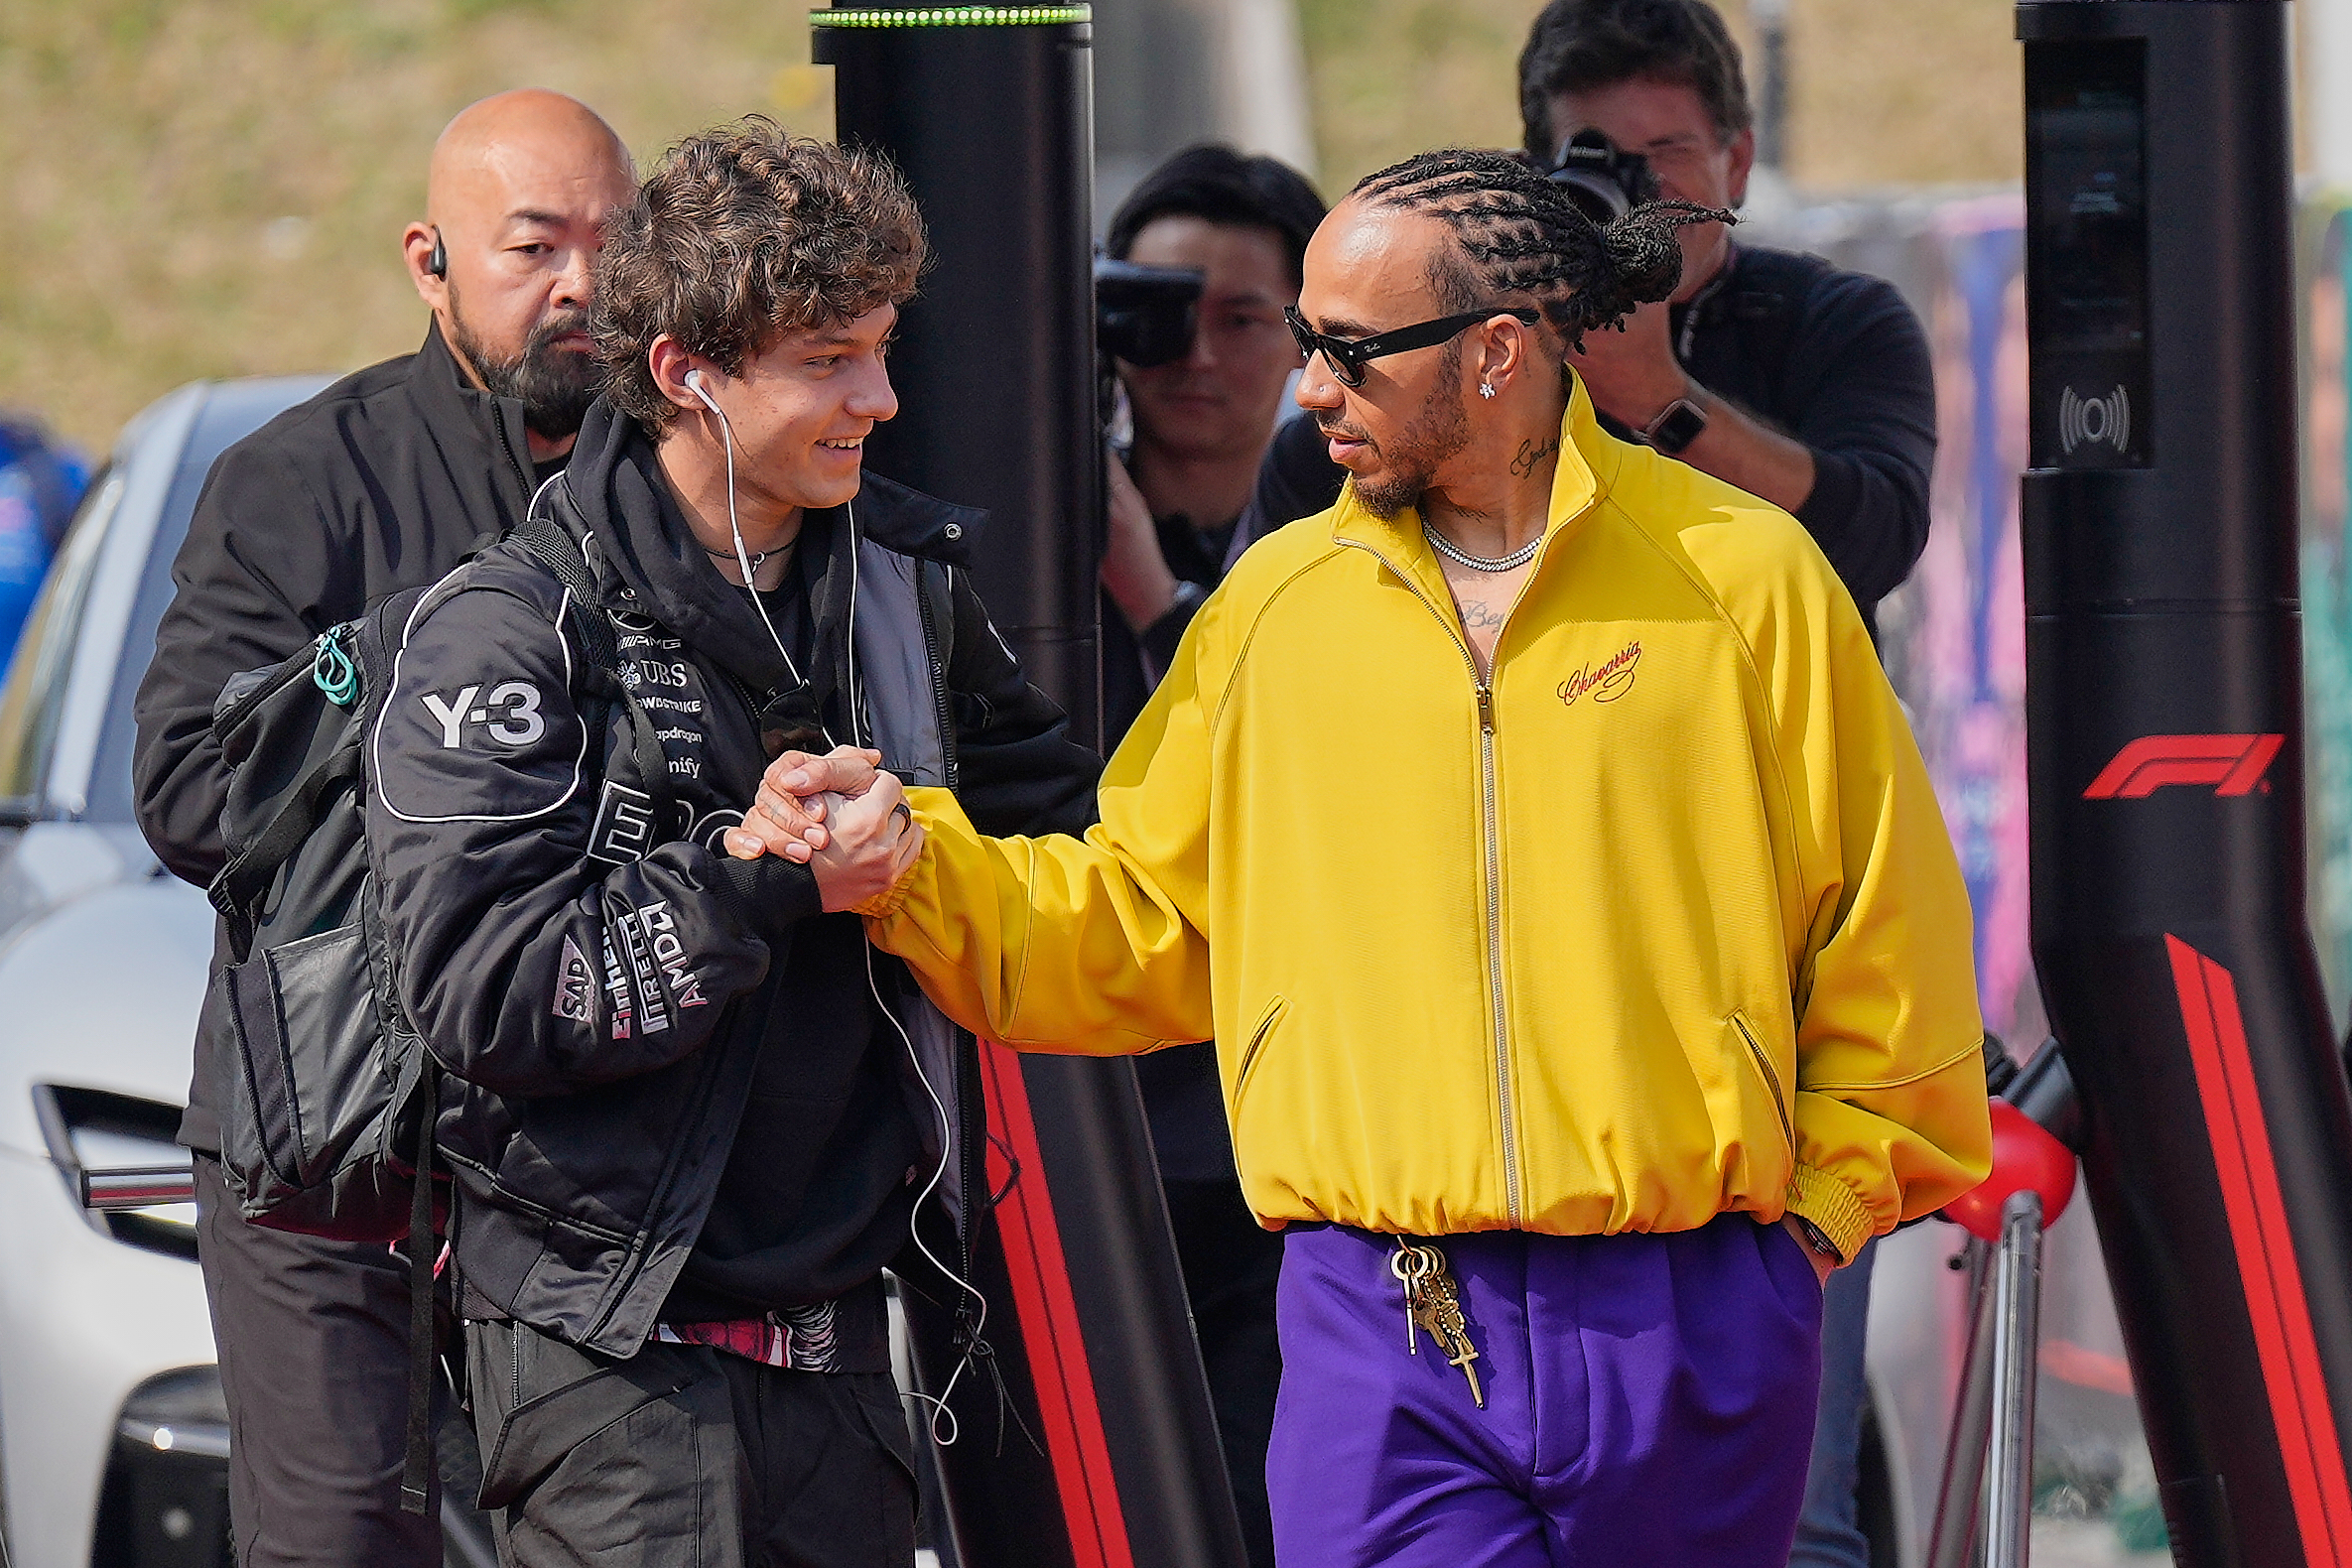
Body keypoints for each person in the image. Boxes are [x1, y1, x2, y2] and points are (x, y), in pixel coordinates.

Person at [737, 148, 1991, 1566]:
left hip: (1695, 1315)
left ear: (1501, 353)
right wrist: (912, 861)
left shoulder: (1749, 581)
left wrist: (1795, 1244)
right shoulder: (1275, 608)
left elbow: (1888, 950)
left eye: (1348, 351)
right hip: (1376, 1325)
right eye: (1308, 348)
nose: (1309, 390)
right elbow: (1138, 921)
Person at [367, 121, 1099, 1567]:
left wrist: (923, 846)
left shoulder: (901, 590)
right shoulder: (508, 626)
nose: (880, 398)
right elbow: (478, 987)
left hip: (849, 1347)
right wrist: (755, 879)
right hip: (609, 1356)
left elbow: (1066, 836)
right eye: (830, 359)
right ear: (685, 373)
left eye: (883, 349)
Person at [131, 89, 635, 1567]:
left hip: (596, 1163)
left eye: (617, 244)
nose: (583, 288)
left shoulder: (690, 486)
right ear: (430, 263)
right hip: (331, 1151)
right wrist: (437, 657)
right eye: (535, 245)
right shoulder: (300, 479)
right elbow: (188, 789)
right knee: (346, 1541)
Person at [1236, 0, 1935, 654]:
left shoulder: (1836, 322)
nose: (1638, 194)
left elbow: (1876, 542)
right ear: (1534, 172)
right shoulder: (1470, 337)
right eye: (1595, 159)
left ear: (1740, 162)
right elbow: (1283, 545)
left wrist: (1662, 401)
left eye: (1667, 153)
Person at [1097, 141, 1324, 1568]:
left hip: (1282, 1147)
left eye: (1243, 316)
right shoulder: (1015, 526)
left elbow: (1308, 780)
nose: (1195, 352)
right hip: (1091, 1132)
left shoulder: (1354, 529)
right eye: (1158, 305)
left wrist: (1159, 600)